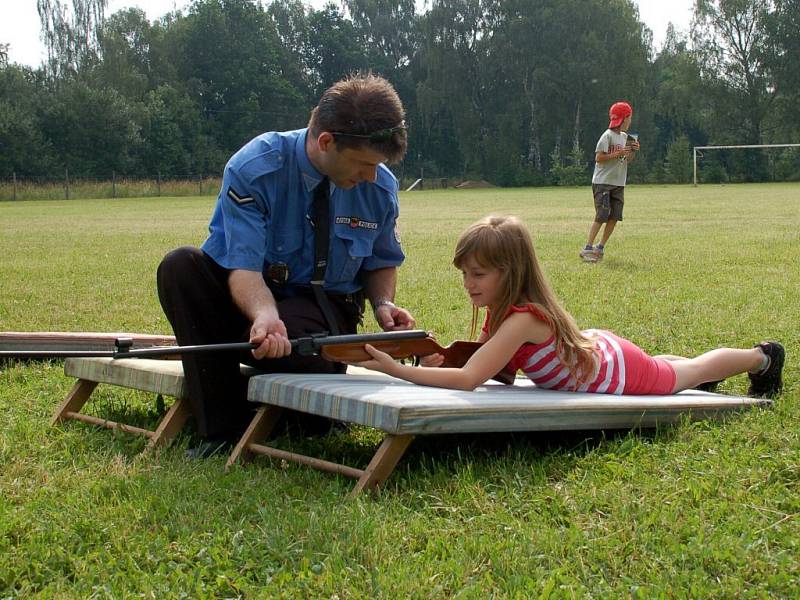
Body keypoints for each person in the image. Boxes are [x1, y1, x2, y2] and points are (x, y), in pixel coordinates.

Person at [157, 73, 416, 455]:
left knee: (298, 341)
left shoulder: (380, 187)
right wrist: (264, 314)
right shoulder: (255, 168)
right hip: (252, 300)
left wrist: (383, 305)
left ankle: (298, 411)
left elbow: (380, 261)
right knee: (180, 266)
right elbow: (242, 266)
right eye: (362, 164)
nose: (371, 176)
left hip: (321, 313)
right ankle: (222, 431)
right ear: (326, 141)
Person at [352, 215, 785, 399]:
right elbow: (486, 365)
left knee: (689, 372)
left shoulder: (520, 318)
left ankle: (762, 357)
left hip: (613, 373)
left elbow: (468, 379)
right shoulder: (505, 311)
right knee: (678, 367)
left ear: (510, 271)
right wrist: (425, 356)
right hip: (597, 352)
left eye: (478, 275)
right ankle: (741, 362)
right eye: (465, 273)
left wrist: (396, 369)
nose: (468, 284)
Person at [579, 101, 640, 262]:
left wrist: (632, 151)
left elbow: (627, 160)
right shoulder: (607, 136)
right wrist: (618, 152)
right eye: (629, 118)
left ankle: (600, 247)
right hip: (603, 182)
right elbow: (598, 158)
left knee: (615, 216)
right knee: (602, 215)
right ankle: (587, 248)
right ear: (623, 118)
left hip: (619, 183)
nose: (630, 121)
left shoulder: (625, 137)